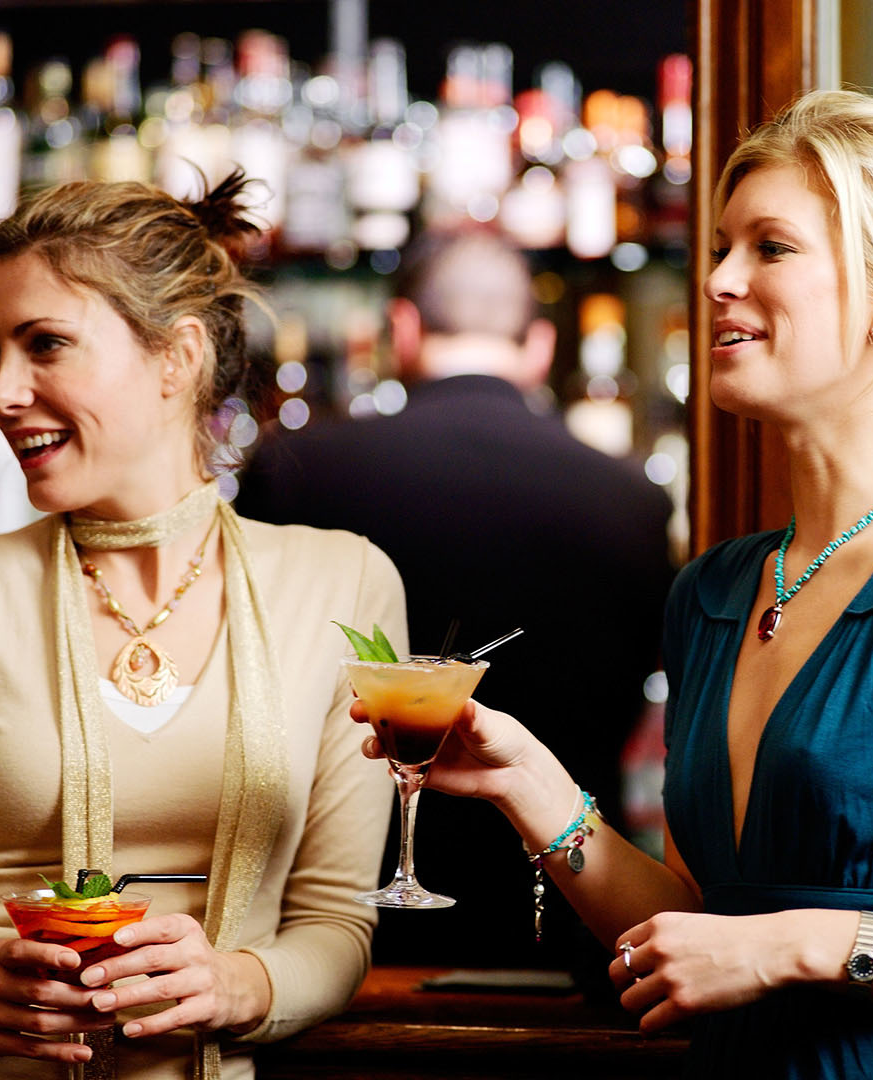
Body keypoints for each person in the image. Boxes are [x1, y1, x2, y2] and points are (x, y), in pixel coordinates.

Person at [353, 89, 873, 1077]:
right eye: (717, 247)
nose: (717, 280)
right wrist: (527, 786)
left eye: (769, 248)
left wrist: (800, 943)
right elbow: (702, 934)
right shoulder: (713, 592)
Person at [0, 173, 405, 1078]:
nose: (1, 391)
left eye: (45, 345)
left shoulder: (341, 583)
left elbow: (336, 925)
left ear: (177, 358)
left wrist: (240, 985)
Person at [234, 226, 674, 983]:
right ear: (538, 344)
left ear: (401, 330)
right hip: (575, 923)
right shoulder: (633, 495)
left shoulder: (296, 468)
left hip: (336, 929)